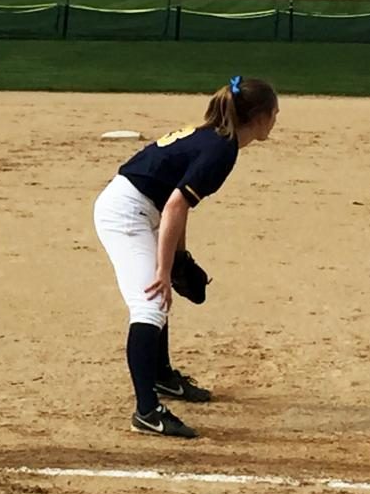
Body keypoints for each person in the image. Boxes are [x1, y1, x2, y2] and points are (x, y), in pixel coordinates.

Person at [93, 76, 279, 439]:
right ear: (257, 118)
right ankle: (146, 412)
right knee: (149, 303)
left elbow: (176, 204)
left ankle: (161, 376)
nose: (275, 120)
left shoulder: (215, 137)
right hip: (126, 213)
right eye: (273, 114)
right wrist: (164, 270)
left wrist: (179, 257)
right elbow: (176, 205)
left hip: (141, 207)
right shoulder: (223, 150)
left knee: (160, 296)